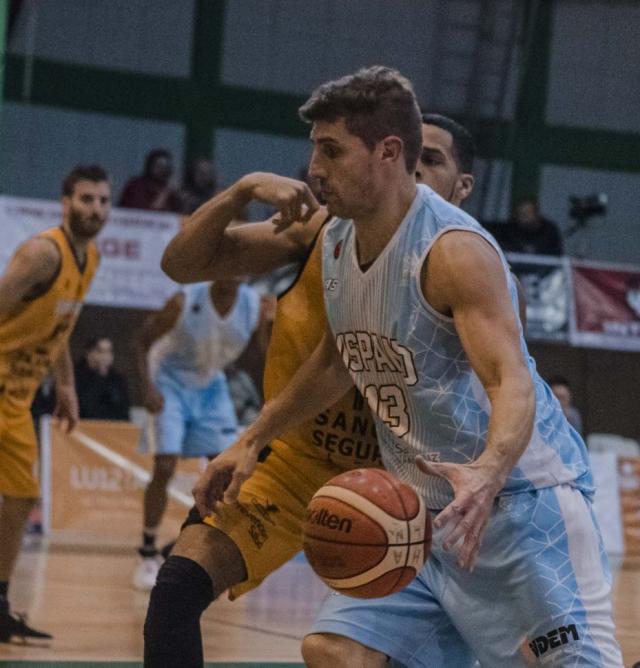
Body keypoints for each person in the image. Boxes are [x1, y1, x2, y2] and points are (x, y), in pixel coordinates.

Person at [191, 67, 621, 667]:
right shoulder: (337, 239)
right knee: (334, 651)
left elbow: (511, 381)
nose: (314, 169)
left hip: (522, 508)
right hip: (418, 520)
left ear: (388, 152)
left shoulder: (454, 252)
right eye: (315, 148)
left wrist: (488, 471)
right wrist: (252, 439)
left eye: (331, 150)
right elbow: (337, 359)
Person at [142, 102, 512, 664]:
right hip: (296, 464)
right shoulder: (322, 230)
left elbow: (505, 391)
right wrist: (242, 190)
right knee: (176, 588)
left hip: (410, 483)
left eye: (431, 160)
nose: (413, 170)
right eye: (406, 155)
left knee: (358, 655)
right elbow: (182, 264)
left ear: (463, 187)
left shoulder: (474, 268)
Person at [0, 164, 109, 641]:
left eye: (103, 201)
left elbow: (59, 326)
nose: (95, 209)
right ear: (65, 203)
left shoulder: (91, 259)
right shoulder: (43, 254)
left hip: (17, 399)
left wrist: (66, 385)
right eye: (86, 199)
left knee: (22, 496)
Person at [132, 279, 266, 590]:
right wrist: (146, 388)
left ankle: (182, 545)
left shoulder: (254, 306)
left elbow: (262, 356)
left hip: (211, 385)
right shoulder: (183, 301)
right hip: (169, 381)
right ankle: (147, 552)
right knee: (165, 466)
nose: (232, 271)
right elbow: (139, 342)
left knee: (228, 471)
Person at [74, 337, 130, 421]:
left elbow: (123, 409)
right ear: (89, 353)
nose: (105, 356)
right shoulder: (76, 375)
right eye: (100, 351)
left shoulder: (117, 379)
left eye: (109, 351)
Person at [492, 196, 563, 256]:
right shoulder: (510, 229)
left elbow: (556, 253)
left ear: (536, 213)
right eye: (520, 214)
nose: (524, 217)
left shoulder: (549, 230)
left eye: (527, 213)